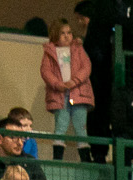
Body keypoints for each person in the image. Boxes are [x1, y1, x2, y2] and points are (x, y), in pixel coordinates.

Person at [40, 18, 94, 158]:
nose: (66, 36)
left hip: (79, 94)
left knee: (81, 127)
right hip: (60, 95)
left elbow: (86, 67)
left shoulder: (78, 49)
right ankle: (57, 157)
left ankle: (85, 158)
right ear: (55, 35)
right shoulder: (50, 52)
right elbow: (46, 72)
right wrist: (59, 84)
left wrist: (75, 81)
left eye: (69, 32)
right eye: (62, 33)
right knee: (60, 126)